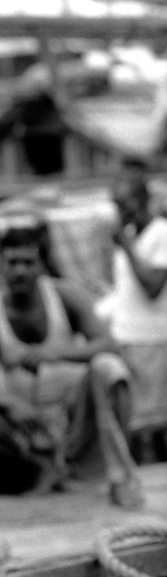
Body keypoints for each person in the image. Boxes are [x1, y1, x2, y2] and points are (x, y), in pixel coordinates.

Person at [0, 220, 144, 507]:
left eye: (28, 262)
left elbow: (108, 343)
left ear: (41, 265)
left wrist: (58, 353)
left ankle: (117, 472)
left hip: (74, 418)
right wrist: (7, 403)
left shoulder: (65, 296)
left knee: (110, 369)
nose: (20, 271)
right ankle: (41, 468)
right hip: (23, 429)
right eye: (13, 263)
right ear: (0, 265)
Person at [104, 166, 167, 462]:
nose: (119, 210)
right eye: (115, 203)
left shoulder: (161, 234)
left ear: (142, 200)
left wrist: (128, 247)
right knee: (130, 422)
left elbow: (152, 286)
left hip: (152, 341)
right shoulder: (127, 236)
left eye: (124, 202)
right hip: (125, 337)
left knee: (151, 426)